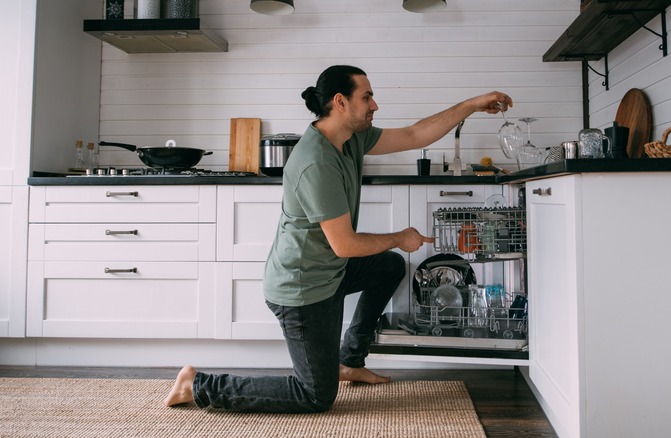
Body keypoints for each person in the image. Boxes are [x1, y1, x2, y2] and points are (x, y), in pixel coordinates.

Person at [164, 65, 513, 413]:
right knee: (314, 395)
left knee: (388, 267)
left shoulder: (350, 137)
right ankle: (198, 385)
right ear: (340, 102)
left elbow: (413, 135)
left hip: (329, 271)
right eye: (367, 97)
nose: (374, 105)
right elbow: (345, 245)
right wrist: (399, 237)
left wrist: (472, 104)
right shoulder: (316, 161)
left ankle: (349, 361)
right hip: (303, 288)